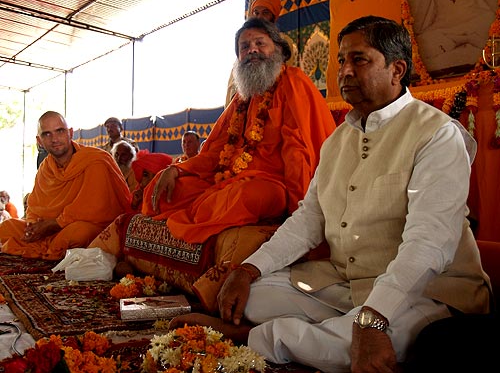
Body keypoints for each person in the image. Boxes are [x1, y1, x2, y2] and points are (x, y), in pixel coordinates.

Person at [169, 16, 491, 372]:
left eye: (359, 59)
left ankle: (254, 338)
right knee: (256, 296)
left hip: (427, 291)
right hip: (346, 284)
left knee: (382, 337)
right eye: (341, 61)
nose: (345, 71)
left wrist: (374, 318)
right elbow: (309, 219)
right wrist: (248, 270)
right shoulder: (338, 140)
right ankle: (311, 333)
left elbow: (428, 244)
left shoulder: (436, 135)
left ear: (397, 69)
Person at [143, 17, 335, 244]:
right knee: (163, 187)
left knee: (239, 197)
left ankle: (199, 217)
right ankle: (200, 211)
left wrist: (299, 214)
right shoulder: (241, 99)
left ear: (278, 50)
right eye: (245, 47)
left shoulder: (292, 83)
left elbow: (299, 152)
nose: (252, 49)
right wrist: (179, 170)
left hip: (273, 185)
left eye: (260, 43)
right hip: (228, 179)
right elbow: (215, 152)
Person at [0, 111, 132, 260]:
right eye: (47, 134)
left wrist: (55, 224)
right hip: (49, 231)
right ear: (39, 141)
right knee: (6, 227)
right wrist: (33, 227)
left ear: (70, 133)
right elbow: (36, 206)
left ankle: (51, 249)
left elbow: (95, 208)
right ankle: (50, 249)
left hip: (87, 226)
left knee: (78, 234)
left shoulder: (96, 160)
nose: (54, 139)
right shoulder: (45, 168)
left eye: (60, 131)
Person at [225, 0, 296, 107]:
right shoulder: (245, 46)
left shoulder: (283, 42)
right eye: (256, 12)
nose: (259, 17)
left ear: (273, 16)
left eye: (265, 13)